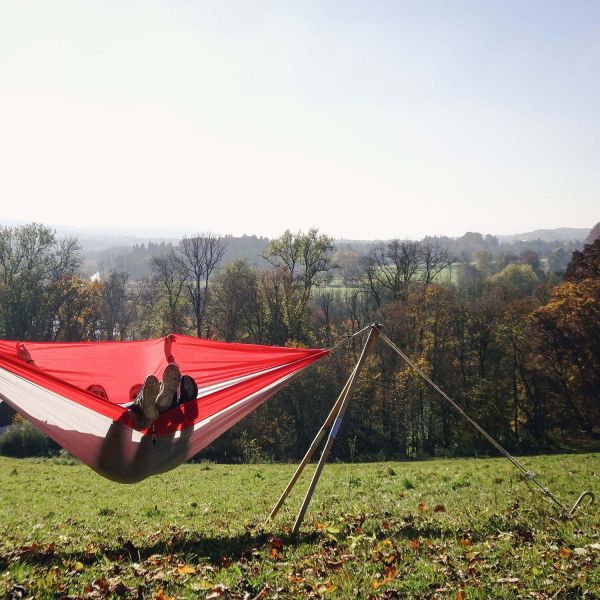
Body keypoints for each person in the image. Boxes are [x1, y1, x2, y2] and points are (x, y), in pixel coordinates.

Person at [16, 342, 197, 429]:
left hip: (152, 424)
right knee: (140, 413)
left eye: (101, 393)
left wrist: (168, 354)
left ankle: (167, 400)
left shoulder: (119, 407)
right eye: (96, 393)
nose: (100, 396)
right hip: (131, 422)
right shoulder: (93, 410)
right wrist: (29, 362)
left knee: (156, 409)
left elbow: (172, 372)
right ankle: (170, 402)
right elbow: (51, 390)